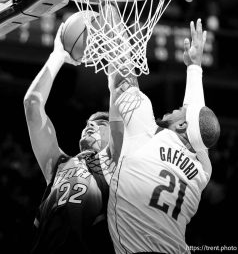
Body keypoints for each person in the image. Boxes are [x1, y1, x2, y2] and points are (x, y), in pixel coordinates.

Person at [106, 17, 220, 254]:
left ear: (181, 127)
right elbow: (198, 130)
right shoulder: (201, 171)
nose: (174, 108)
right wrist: (194, 67)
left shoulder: (145, 135)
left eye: (179, 111)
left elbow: (122, 67)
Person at [23, 20, 123, 254]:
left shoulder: (116, 162)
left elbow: (119, 85)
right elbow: (32, 104)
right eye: (87, 123)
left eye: (99, 124)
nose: (89, 126)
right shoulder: (57, 164)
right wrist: (58, 55)